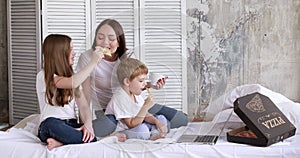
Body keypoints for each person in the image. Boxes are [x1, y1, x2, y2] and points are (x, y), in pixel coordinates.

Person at [77, 19, 188, 137]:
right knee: (110, 125)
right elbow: (84, 95)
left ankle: (146, 128)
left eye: (111, 39)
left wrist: (152, 85)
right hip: (110, 111)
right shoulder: (88, 58)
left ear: (119, 41)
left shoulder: (127, 55)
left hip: (134, 104)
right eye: (100, 37)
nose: (105, 43)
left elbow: (135, 81)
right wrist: (84, 122)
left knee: (181, 119)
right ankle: (128, 131)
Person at [36, 34, 125, 150]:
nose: (74, 53)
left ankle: (63, 141)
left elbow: (83, 106)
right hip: (51, 126)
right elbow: (73, 83)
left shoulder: (72, 75)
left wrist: (87, 125)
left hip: (72, 125)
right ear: (59, 54)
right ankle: (103, 139)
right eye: (70, 49)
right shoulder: (44, 76)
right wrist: (93, 62)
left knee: (109, 121)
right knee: (51, 124)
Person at [105, 58, 168, 140]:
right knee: (142, 130)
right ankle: (152, 134)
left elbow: (145, 115)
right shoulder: (120, 97)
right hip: (126, 129)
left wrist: (157, 122)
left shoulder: (135, 93)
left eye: (145, 79)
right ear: (127, 82)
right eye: (141, 81)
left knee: (161, 118)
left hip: (138, 123)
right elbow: (131, 124)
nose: (145, 84)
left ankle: (154, 135)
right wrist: (145, 107)